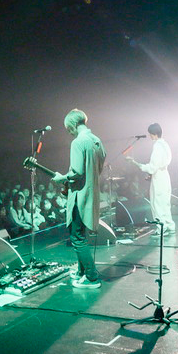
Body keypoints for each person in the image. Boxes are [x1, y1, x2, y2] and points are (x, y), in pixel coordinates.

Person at [51, 108, 106, 289]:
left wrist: (62, 178)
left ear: (73, 124)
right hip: (91, 194)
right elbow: (98, 168)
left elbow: (76, 172)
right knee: (81, 235)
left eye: (69, 129)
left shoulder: (78, 142)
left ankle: (91, 277)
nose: (69, 132)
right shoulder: (97, 141)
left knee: (77, 237)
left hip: (79, 197)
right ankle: (82, 272)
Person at [129, 123, 175, 234]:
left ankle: (161, 228)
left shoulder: (157, 146)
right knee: (165, 203)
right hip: (165, 176)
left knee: (157, 204)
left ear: (154, 134)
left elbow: (152, 167)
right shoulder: (165, 144)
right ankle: (169, 225)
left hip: (158, 177)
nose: (149, 136)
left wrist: (136, 163)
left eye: (150, 134)